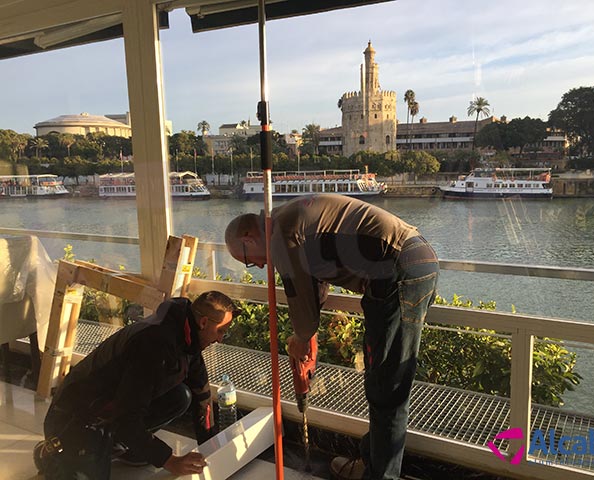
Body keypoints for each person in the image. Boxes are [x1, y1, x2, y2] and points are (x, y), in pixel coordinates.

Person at [225, 194, 439, 480]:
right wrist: (306, 333)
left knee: (388, 387)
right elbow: (315, 286)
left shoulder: (280, 234)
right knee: (380, 378)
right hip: (409, 262)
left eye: (249, 261)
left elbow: (299, 296)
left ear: (248, 236)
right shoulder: (290, 220)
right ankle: (373, 464)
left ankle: (380, 477)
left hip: (399, 271)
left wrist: (301, 337)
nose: (260, 267)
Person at [33, 290, 238, 480]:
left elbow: (201, 395)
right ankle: (50, 453)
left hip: (111, 408)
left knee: (181, 396)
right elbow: (126, 418)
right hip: (76, 416)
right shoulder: (154, 345)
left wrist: (211, 448)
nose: (221, 339)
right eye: (221, 331)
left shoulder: (187, 337)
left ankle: (120, 444)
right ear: (203, 322)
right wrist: (169, 461)